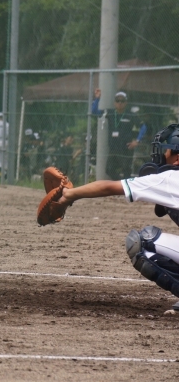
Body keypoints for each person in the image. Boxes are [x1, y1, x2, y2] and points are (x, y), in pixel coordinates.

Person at [55, 123, 179, 312]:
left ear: (177, 158)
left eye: (166, 151)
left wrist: (68, 195)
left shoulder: (170, 178)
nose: (161, 156)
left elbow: (108, 187)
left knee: (142, 242)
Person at [92, 89, 146, 179]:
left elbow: (143, 127)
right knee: (109, 169)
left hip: (126, 148)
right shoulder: (110, 112)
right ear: (114, 102)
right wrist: (97, 98)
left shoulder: (130, 114)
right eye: (117, 101)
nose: (120, 103)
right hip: (113, 148)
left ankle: (125, 186)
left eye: (122, 101)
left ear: (126, 102)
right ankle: (120, 183)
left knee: (126, 170)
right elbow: (95, 112)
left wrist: (137, 141)